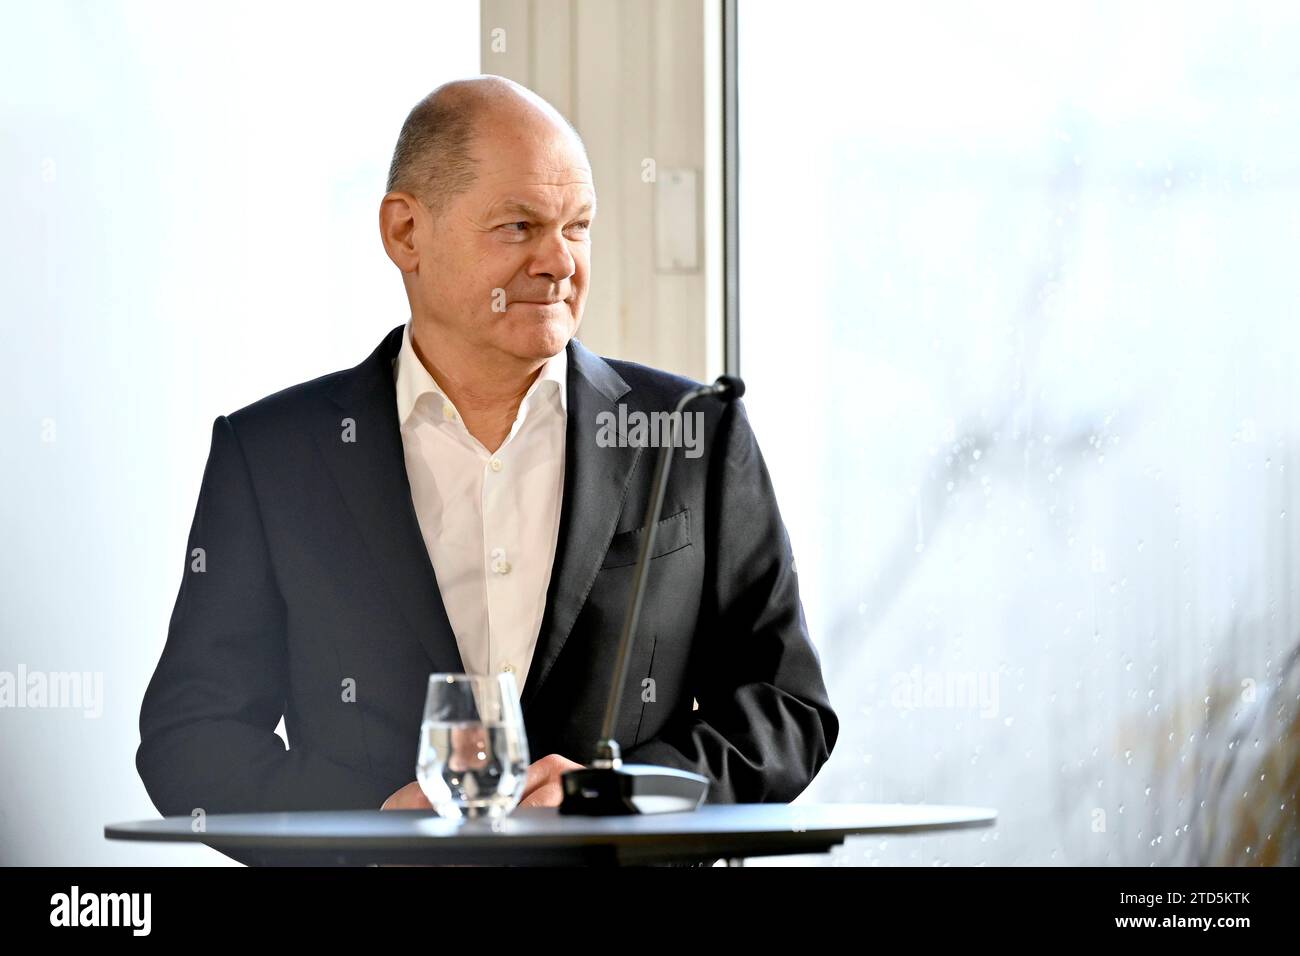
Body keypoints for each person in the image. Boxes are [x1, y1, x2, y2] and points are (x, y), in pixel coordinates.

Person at [136, 75, 838, 863]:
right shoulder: (271, 456)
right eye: (519, 226)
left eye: (579, 227)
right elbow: (191, 735)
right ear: (406, 232)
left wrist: (622, 795)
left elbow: (786, 710)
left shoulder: (692, 434)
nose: (559, 261)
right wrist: (363, 821)